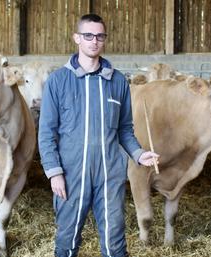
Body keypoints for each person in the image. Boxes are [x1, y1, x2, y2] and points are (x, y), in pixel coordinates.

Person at [38, 14, 159, 257]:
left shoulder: (117, 82)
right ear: (77, 38)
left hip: (110, 173)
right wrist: (54, 173)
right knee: (66, 239)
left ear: (104, 40)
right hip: (72, 174)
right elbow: (46, 133)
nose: (94, 41)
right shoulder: (58, 81)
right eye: (88, 36)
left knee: (115, 241)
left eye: (100, 36)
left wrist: (139, 153)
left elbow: (124, 128)